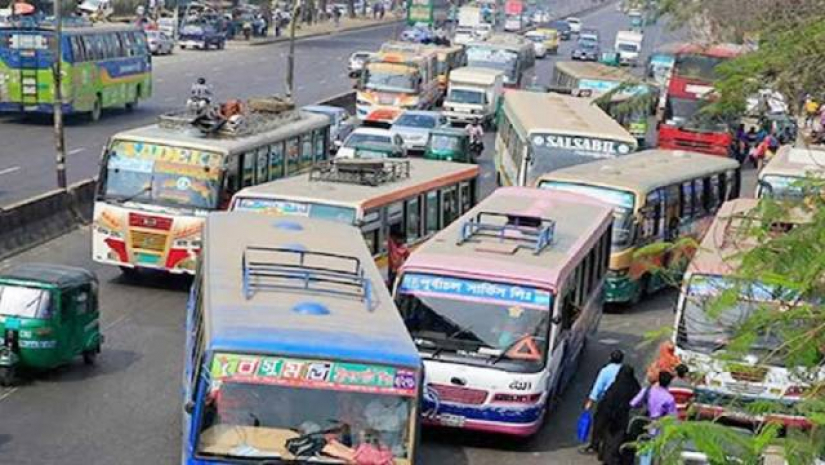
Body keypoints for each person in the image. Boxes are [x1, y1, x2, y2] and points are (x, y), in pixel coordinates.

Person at [579, 350, 624, 455]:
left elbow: (598, 387)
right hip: (620, 403)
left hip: (606, 402)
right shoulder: (624, 371)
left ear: (610, 359)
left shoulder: (605, 371)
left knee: (599, 424)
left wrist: (590, 401)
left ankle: (594, 446)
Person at [595, 365, 641, 465]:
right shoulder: (633, 385)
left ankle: (606, 457)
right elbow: (638, 399)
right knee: (618, 439)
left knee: (608, 439)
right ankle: (613, 458)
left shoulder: (614, 386)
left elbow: (605, 401)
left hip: (610, 417)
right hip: (622, 417)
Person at [630, 371, 678, 465]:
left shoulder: (648, 390)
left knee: (643, 449)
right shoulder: (669, 398)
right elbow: (672, 418)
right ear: (669, 383)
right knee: (654, 452)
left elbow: (634, 403)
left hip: (643, 423)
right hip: (658, 427)